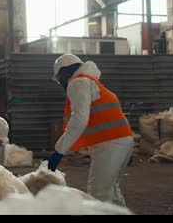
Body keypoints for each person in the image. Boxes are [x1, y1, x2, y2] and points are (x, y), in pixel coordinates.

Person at [48, 53, 134, 206]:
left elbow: (79, 119)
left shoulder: (77, 83)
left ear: (64, 73)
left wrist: (59, 150)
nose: (60, 83)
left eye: (59, 78)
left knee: (98, 194)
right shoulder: (90, 81)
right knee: (111, 191)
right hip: (121, 140)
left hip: (110, 142)